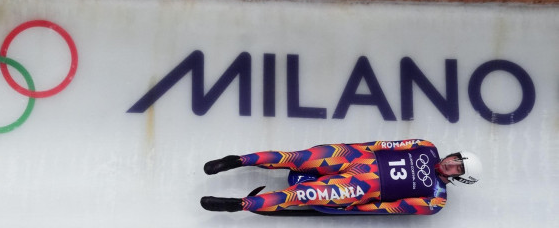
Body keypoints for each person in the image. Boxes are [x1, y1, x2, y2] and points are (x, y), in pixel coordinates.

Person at [201, 139, 481, 215]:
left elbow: (391, 208)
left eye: (458, 168)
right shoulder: (426, 145)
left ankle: (238, 205)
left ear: (459, 179)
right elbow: (383, 145)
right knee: (296, 158)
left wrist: (355, 206)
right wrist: (351, 150)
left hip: (359, 188)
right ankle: (237, 161)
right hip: (355, 158)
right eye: (456, 159)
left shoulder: (436, 199)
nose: (452, 164)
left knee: (299, 196)